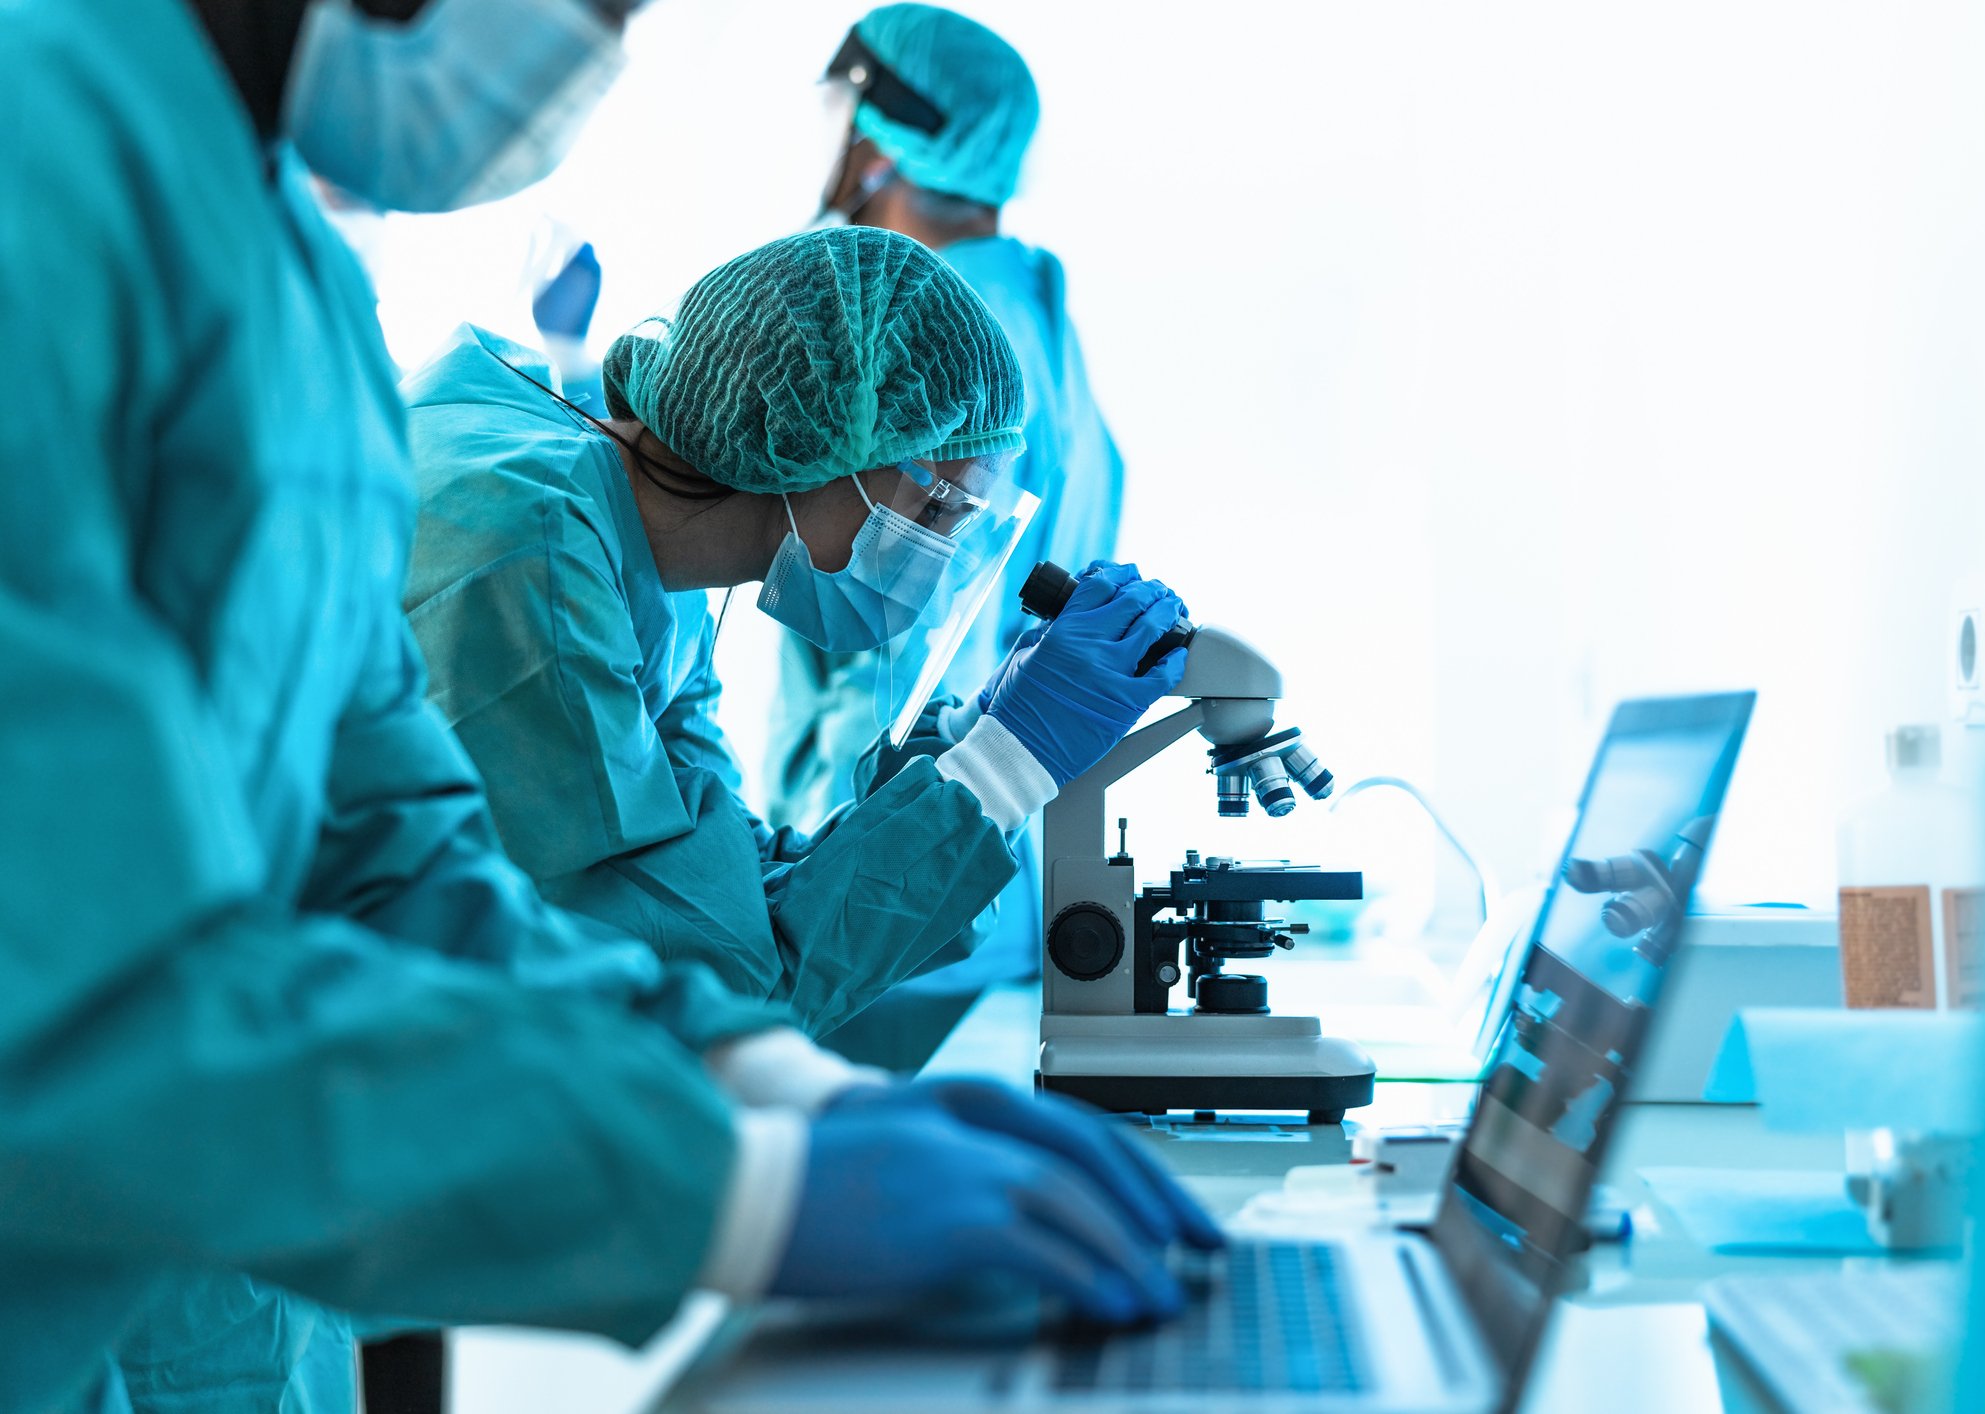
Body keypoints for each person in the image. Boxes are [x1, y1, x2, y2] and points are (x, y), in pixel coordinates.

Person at [0, 3, 1216, 1411]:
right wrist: (741, 1194)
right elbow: (75, 967)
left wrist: (772, 1084)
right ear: (825, 441)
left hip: (214, 1245)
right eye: (937, 497)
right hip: (142, 1205)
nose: (596, 47)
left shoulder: (295, 279)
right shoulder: (50, 162)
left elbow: (399, 852)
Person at [399, 225, 1188, 1038]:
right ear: (816, 442)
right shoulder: (537, 560)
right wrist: (1002, 772)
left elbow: (725, 889)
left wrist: (959, 745)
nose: (943, 561)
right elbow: (711, 996)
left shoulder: (648, 573)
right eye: (940, 510)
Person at [767, 5, 1132, 1063]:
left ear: (876, 142)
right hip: (981, 863)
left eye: (839, 117)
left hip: (889, 865)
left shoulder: (926, 332)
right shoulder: (1035, 309)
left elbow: (882, 625)